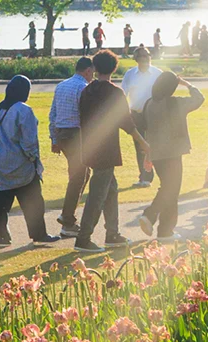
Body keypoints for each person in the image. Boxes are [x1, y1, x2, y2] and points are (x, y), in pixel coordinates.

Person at [75, 50, 151, 253]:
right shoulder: (115, 93)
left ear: (95, 68)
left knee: (111, 189)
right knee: (97, 196)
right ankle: (83, 238)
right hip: (106, 149)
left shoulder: (87, 91)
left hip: (90, 147)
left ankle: (112, 234)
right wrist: (144, 144)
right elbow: (127, 123)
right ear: (114, 68)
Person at [0, 75, 59, 248]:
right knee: (33, 200)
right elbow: (29, 141)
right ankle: (39, 234)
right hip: (19, 162)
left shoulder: (2, 106)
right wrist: (34, 159)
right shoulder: (24, 110)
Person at [137, 72, 204, 242]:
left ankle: (165, 231)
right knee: (171, 189)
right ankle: (151, 216)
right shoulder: (175, 103)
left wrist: (148, 155)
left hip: (157, 153)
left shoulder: (149, 104)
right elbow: (199, 98)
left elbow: (148, 131)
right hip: (173, 152)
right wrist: (187, 84)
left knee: (169, 188)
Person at [49, 57, 94, 238]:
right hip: (77, 134)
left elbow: (53, 113)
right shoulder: (83, 87)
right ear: (88, 71)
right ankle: (67, 218)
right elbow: (86, 116)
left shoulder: (61, 85)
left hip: (62, 134)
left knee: (81, 174)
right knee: (79, 176)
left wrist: (54, 138)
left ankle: (69, 217)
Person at [121, 47, 163, 188]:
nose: (145, 59)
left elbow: (165, 95)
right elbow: (123, 94)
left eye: (147, 56)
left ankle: (161, 175)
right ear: (136, 59)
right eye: (142, 57)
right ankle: (144, 177)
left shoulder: (158, 74)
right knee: (140, 146)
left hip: (155, 115)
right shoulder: (130, 74)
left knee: (156, 145)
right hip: (136, 114)